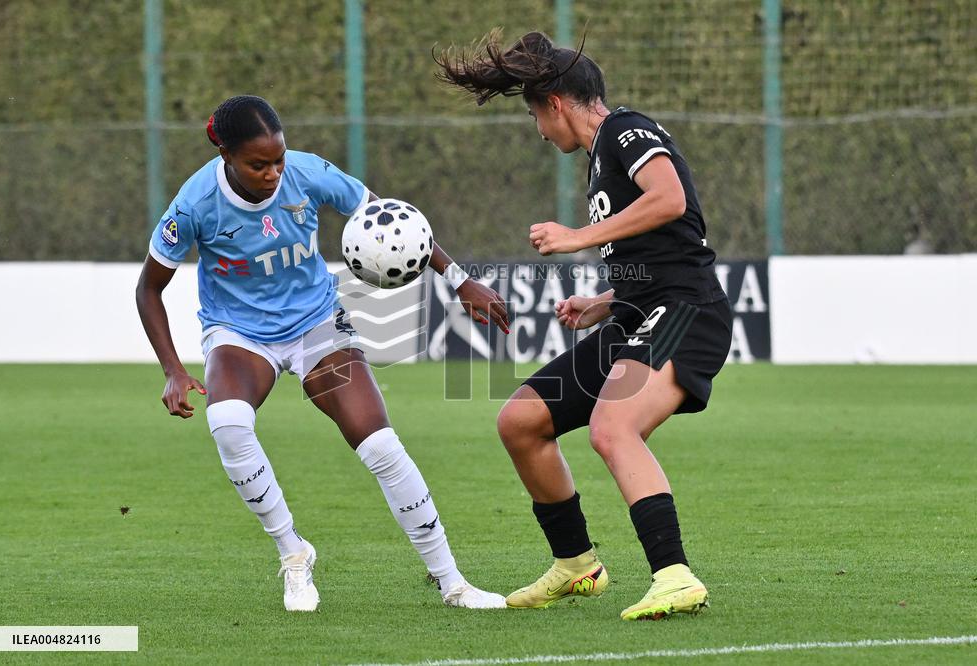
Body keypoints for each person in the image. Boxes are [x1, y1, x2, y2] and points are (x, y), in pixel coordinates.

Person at [135, 95, 510, 612]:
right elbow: (148, 288)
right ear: (224, 153)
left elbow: (391, 221)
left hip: (316, 325)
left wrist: (460, 280)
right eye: (257, 164)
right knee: (227, 422)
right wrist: (173, 370)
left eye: (278, 160)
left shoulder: (308, 173)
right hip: (240, 333)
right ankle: (293, 554)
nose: (272, 174)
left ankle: (452, 583)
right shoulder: (195, 203)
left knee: (380, 446)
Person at [435, 31, 732, 620]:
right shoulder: (602, 157)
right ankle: (575, 564)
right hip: (639, 311)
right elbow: (658, 246)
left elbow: (670, 199)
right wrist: (603, 300)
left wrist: (577, 237)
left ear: (556, 104)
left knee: (612, 425)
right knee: (521, 420)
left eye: (533, 116)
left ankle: (674, 575)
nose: (539, 132)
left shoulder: (625, 129)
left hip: (686, 311)